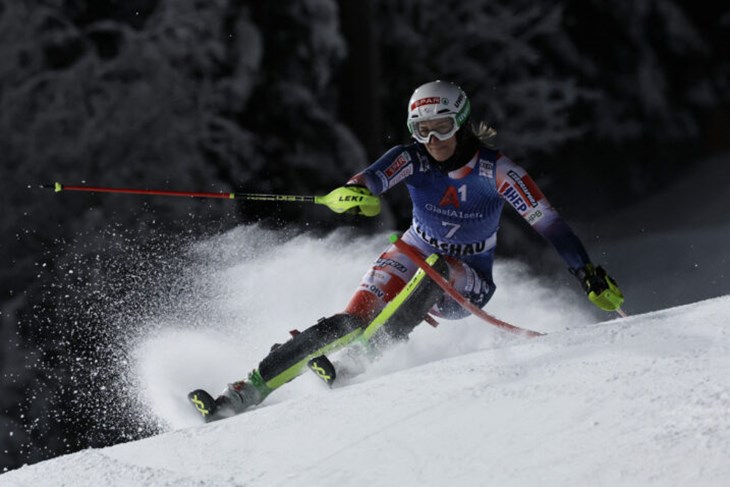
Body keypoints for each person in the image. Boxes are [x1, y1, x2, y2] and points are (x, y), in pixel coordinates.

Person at [188, 80, 624, 421]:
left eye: (443, 129)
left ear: (463, 123)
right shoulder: (411, 158)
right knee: (349, 320)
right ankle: (245, 390)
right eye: (422, 131)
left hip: (468, 276)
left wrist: (586, 272)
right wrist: (352, 192)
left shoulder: (497, 171)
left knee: (436, 269)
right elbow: (373, 178)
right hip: (412, 249)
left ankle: (361, 360)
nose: (432, 141)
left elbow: (548, 222)